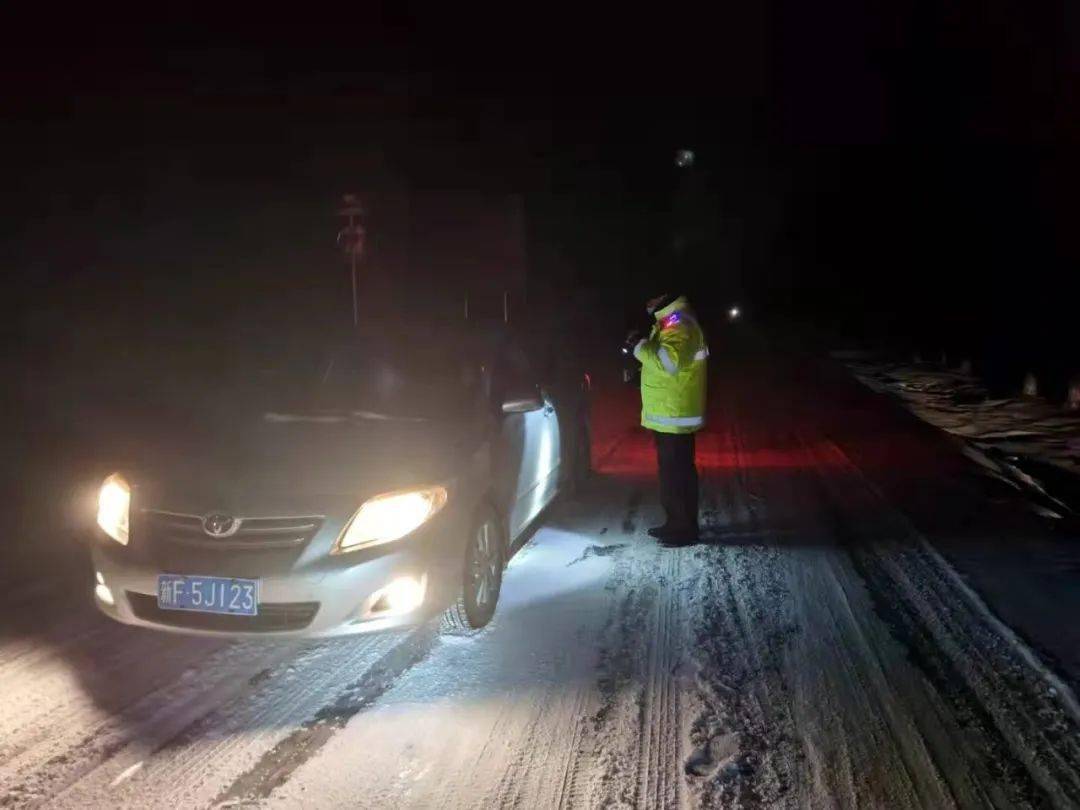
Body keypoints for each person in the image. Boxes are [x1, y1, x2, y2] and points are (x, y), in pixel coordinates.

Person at [631, 293, 708, 546]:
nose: (647, 304)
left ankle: (684, 530)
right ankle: (676, 523)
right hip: (670, 412)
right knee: (672, 474)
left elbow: (669, 363)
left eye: (651, 298)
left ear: (664, 297)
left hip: (675, 413)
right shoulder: (669, 322)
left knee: (677, 474)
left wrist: (639, 346)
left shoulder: (679, 323)